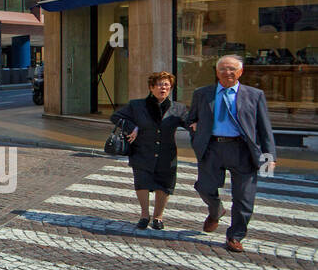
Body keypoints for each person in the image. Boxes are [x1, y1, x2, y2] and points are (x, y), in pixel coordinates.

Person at [186, 54, 276, 253]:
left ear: (241, 72)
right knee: (204, 187)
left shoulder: (255, 95)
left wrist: (269, 156)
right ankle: (216, 210)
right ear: (217, 72)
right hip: (212, 148)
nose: (228, 72)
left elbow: (264, 128)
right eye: (223, 69)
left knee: (244, 198)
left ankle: (235, 236)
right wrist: (194, 129)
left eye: (232, 69)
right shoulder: (202, 94)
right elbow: (190, 118)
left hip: (242, 150)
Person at [113, 71, 189, 229]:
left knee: (164, 184)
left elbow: (189, 122)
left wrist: (195, 125)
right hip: (142, 151)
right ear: (151, 87)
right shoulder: (137, 105)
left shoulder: (178, 108)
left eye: (167, 85)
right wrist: (131, 127)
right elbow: (116, 117)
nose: (163, 88)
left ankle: (158, 217)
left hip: (166, 153)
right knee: (142, 182)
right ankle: (144, 215)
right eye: (160, 84)